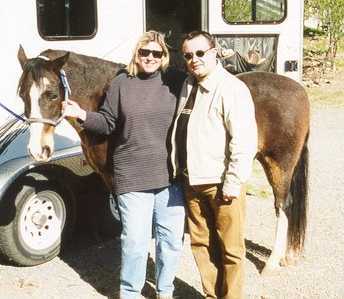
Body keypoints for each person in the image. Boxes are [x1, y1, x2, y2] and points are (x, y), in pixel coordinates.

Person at [63, 31, 186, 299]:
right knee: (135, 244)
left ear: (164, 56)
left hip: (170, 178)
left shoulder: (175, 81)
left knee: (171, 242)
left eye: (157, 53)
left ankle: (165, 291)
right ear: (136, 54)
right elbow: (107, 122)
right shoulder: (122, 83)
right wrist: (81, 114)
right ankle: (130, 293)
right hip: (132, 176)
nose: (150, 57)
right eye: (145, 52)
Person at [171, 31, 258, 299]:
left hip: (220, 184)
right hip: (191, 181)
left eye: (200, 53)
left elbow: (244, 141)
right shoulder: (188, 85)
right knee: (202, 245)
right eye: (188, 55)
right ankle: (211, 295)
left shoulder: (231, 88)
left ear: (214, 52)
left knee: (231, 250)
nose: (194, 59)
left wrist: (233, 181)